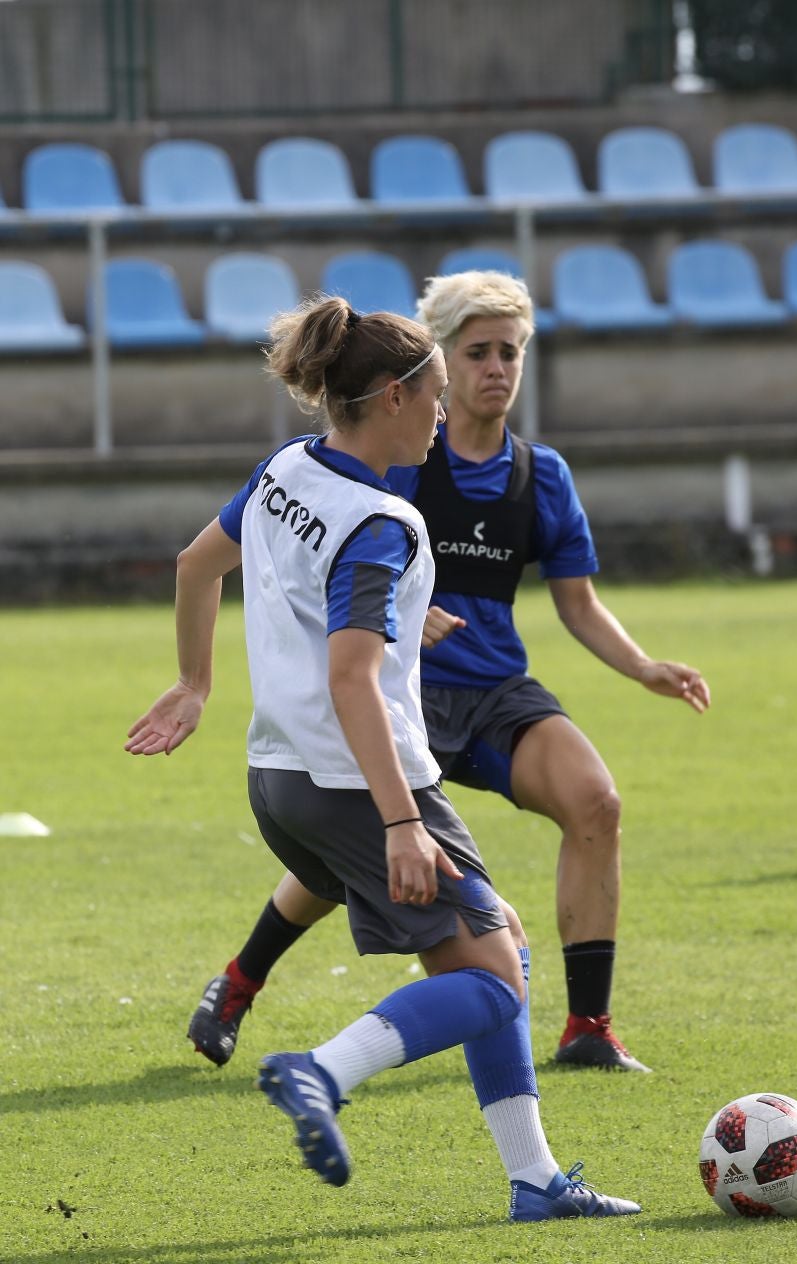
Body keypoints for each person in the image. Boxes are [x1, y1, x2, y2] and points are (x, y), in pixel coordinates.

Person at [126, 296, 642, 1222]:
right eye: (438, 393)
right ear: (395, 396)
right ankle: (321, 1072)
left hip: (277, 781)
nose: (445, 415)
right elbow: (354, 678)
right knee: (494, 977)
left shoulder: (287, 468)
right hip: (363, 783)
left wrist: (195, 683)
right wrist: (403, 820)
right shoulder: (386, 524)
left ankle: (533, 1182)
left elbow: (194, 565)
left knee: (498, 948)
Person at [178, 270, 711, 1074]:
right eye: (478, 353)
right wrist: (388, 620)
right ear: (430, 375)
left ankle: (588, 1030)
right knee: (370, 867)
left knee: (594, 801)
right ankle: (254, 993)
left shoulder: (541, 475)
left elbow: (577, 603)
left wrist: (642, 667)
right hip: (401, 701)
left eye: (512, 352)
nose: (497, 368)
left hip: (491, 692)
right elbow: (345, 572)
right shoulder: (393, 459)